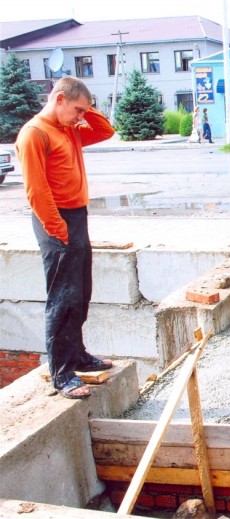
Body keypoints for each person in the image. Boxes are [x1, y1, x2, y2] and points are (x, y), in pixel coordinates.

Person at [14, 76, 116, 399]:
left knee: (81, 292)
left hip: (76, 217)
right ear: (58, 100)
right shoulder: (35, 134)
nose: (81, 117)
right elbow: (36, 189)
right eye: (77, 110)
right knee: (62, 297)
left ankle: (77, 355)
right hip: (55, 220)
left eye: (83, 111)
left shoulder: (69, 128)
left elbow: (106, 131)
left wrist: (86, 108)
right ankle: (60, 372)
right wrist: (58, 230)